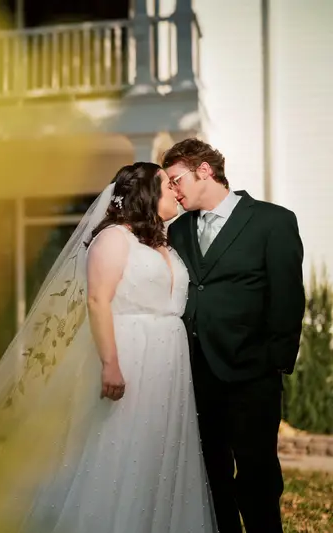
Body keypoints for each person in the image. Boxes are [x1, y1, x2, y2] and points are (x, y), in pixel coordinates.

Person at [0, 162, 216, 533]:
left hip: (168, 361)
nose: (176, 193)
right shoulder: (114, 238)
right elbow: (98, 300)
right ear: (146, 194)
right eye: (167, 187)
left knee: (159, 454)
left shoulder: (160, 242)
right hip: (131, 354)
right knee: (122, 452)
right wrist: (110, 363)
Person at [163, 138, 305, 533]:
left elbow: (288, 297)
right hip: (197, 373)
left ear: (204, 170)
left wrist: (274, 363)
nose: (174, 191)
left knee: (258, 475)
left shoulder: (272, 221)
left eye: (176, 180)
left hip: (253, 372)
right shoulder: (178, 231)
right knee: (211, 476)